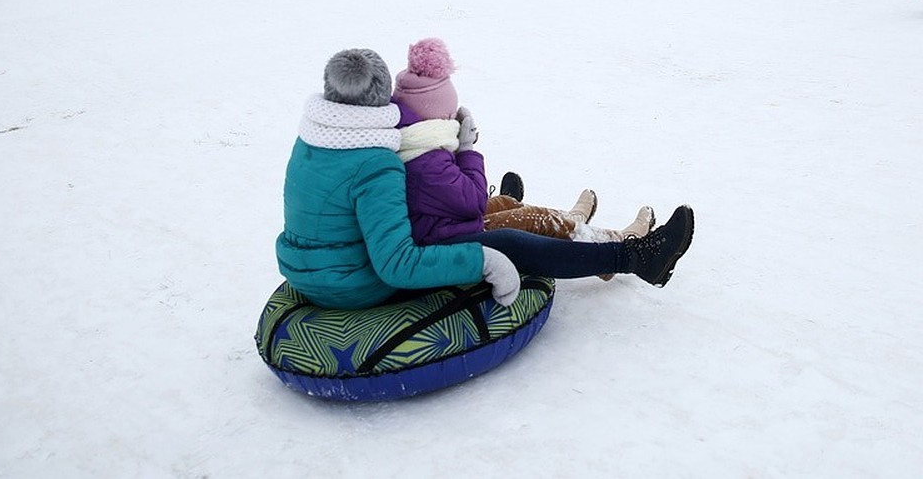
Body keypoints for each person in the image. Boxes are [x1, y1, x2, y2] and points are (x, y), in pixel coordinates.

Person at [275, 47, 696, 310]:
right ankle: (634, 257)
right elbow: (397, 265)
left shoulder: (312, 142)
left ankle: (579, 232)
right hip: (354, 285)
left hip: (313, 271)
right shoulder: (375, 163)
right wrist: (484, 260)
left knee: (495, 221)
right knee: (509, 243)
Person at [391, 38, 655, 249]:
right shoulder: (427, 159)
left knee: (508, 203)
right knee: (532, 219)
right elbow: (474, 201)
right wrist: (466, 149)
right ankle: (618, 243)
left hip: (439, 225)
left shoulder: (415, 140)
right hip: (445, 240)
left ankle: (570, 223)